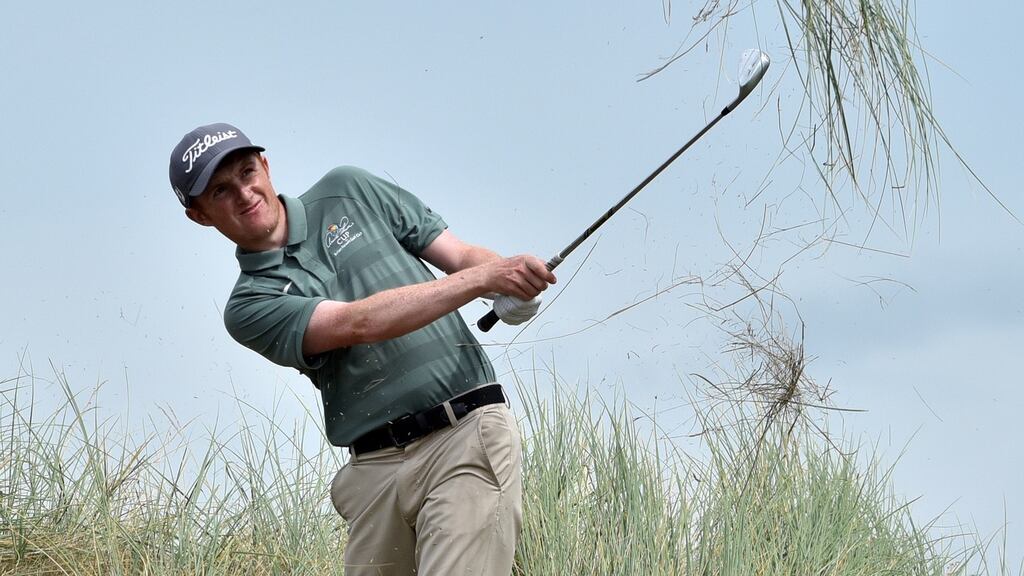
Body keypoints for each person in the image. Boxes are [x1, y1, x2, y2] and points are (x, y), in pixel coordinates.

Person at [169, 123, 556, 575]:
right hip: (375, 473)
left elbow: (460, 256)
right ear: (199, 216)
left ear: (266, 166)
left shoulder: (348, 188)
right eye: (220, 190)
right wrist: (484, 279)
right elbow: (358, 323)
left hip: (464, 433)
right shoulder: (250, 305)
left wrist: (508, 281)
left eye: (247, 172)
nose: (244, 193)